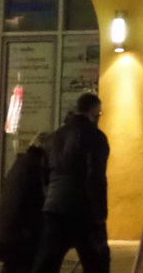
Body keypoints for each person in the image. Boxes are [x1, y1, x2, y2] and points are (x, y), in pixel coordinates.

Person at [32, 93, 112, 273]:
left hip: (54, 208)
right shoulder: (96, 137)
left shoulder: (54, 136)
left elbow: (44, 173)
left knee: (47, 262)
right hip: (84, 209)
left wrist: (49, 198)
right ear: (93, 111)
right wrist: (100, 213)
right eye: (99, 114)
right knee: (97, 262)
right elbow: (95, 177)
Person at [0, 134, 50, 273]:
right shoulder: (36, 167)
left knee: (11, 266)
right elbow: (37, 202)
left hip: (10, 231)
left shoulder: (22, 163)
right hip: (22, 234)